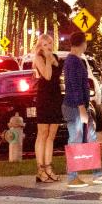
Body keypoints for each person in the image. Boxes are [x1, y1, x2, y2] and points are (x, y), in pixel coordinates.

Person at [62, 32, 102, 189]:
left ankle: (98, 174)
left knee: (91, 139)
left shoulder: (75, 60)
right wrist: (81, 109)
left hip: (79, 106)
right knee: (76, 140)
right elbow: (75, 86)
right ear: (83, 43)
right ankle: (72, 177)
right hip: (75, 108)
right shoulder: (73, 61)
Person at [31, 34, 63, 184]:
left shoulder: (55, 57)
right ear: (39, 46)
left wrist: (52, 59)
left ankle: (49, 168)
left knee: (52, 135)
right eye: (44, 44)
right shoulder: (38, 58)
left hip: (56, 97)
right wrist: (49, 60)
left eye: (49, 43)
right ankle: (40, 169)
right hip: (44, 98)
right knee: (42, 134)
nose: (48, 46)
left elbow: (58, 75)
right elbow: (48, 76)